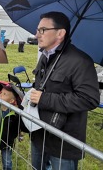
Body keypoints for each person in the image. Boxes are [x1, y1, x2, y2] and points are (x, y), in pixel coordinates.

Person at [30, 11, 100, 170]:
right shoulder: (45, 57)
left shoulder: (80, 61)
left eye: (42, 30)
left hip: (63, 142)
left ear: (60, 33)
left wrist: (44, 99)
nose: (36, 35)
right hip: (40, 133)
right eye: (37, 30)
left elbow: (89, 99)